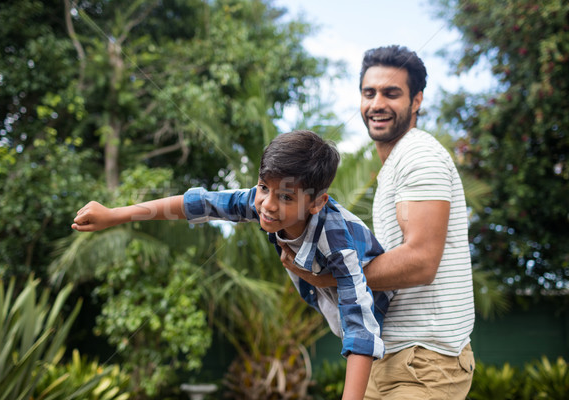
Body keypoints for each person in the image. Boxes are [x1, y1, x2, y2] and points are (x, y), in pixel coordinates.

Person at [72, 130, 394, 400]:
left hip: (384, 317)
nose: (267, 205)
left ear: (317, 202)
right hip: (332, 305)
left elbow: (361, 328)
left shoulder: (337, 243)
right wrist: (114, 214)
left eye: (285, 198)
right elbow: (197, 204)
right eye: (264, 187)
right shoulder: (258, 201)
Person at [280, 46, 475, 399]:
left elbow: (421, 261)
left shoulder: (419, 156)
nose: (377, 103)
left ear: (416, 101)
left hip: (425, 362)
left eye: (391, 93)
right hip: (387, 356)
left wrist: (328, 278)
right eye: (369, 93)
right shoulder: (395, 165)